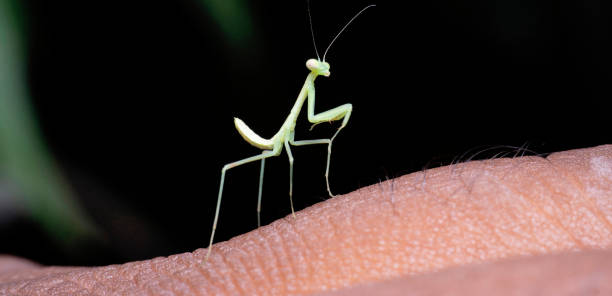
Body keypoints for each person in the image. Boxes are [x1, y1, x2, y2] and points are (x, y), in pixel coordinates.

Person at [1, 145, 611, 295]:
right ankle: (217, 242)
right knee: (241, 171)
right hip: (266, 143)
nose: (322, 76)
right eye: (317, 73)